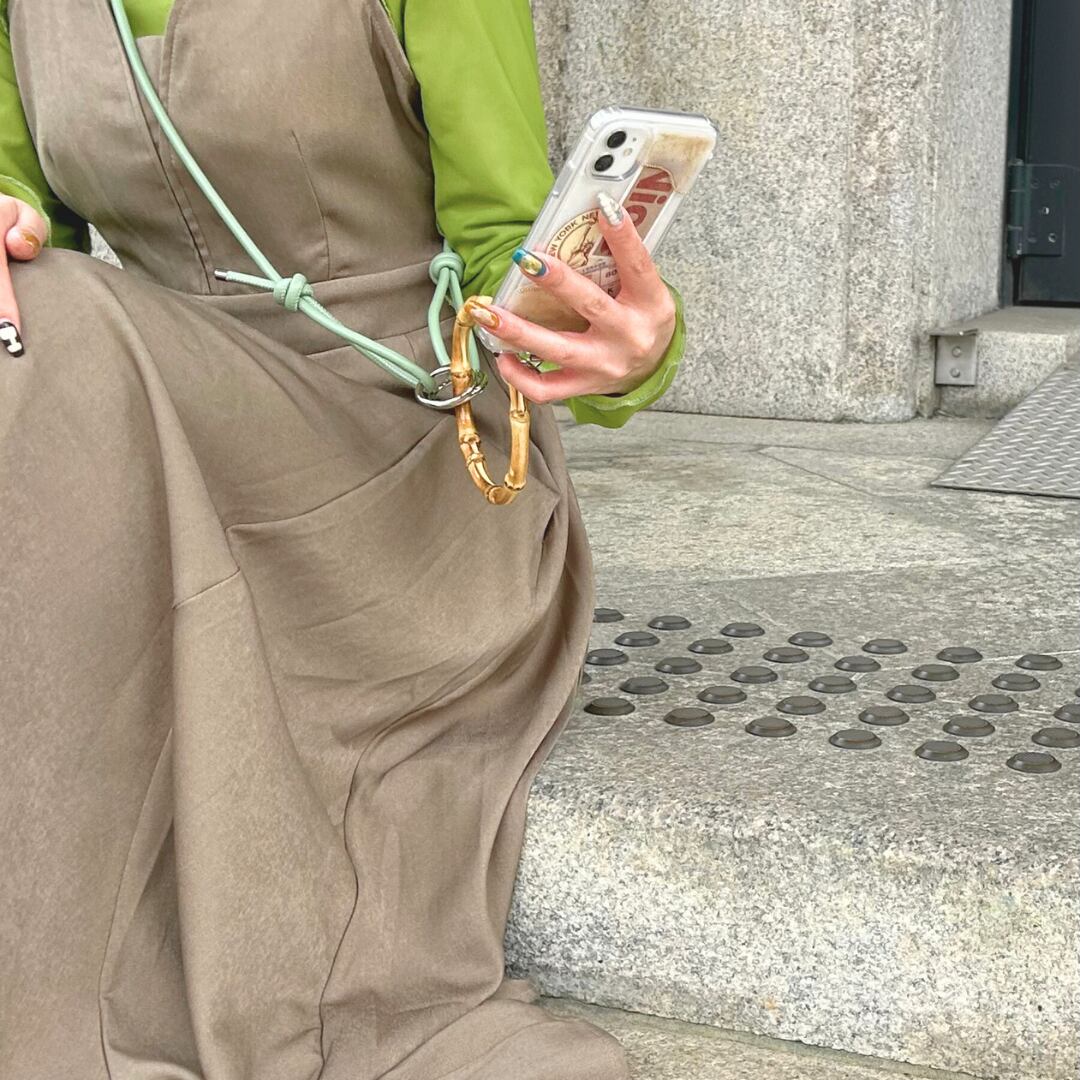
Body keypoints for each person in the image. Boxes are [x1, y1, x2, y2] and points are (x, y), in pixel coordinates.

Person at [0, 1, 686, 1077]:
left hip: (405, 445)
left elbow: (509, 247)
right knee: (23, 306)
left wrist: (624, 347)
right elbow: (21, 214)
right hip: (171, 426)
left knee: (55, 320)